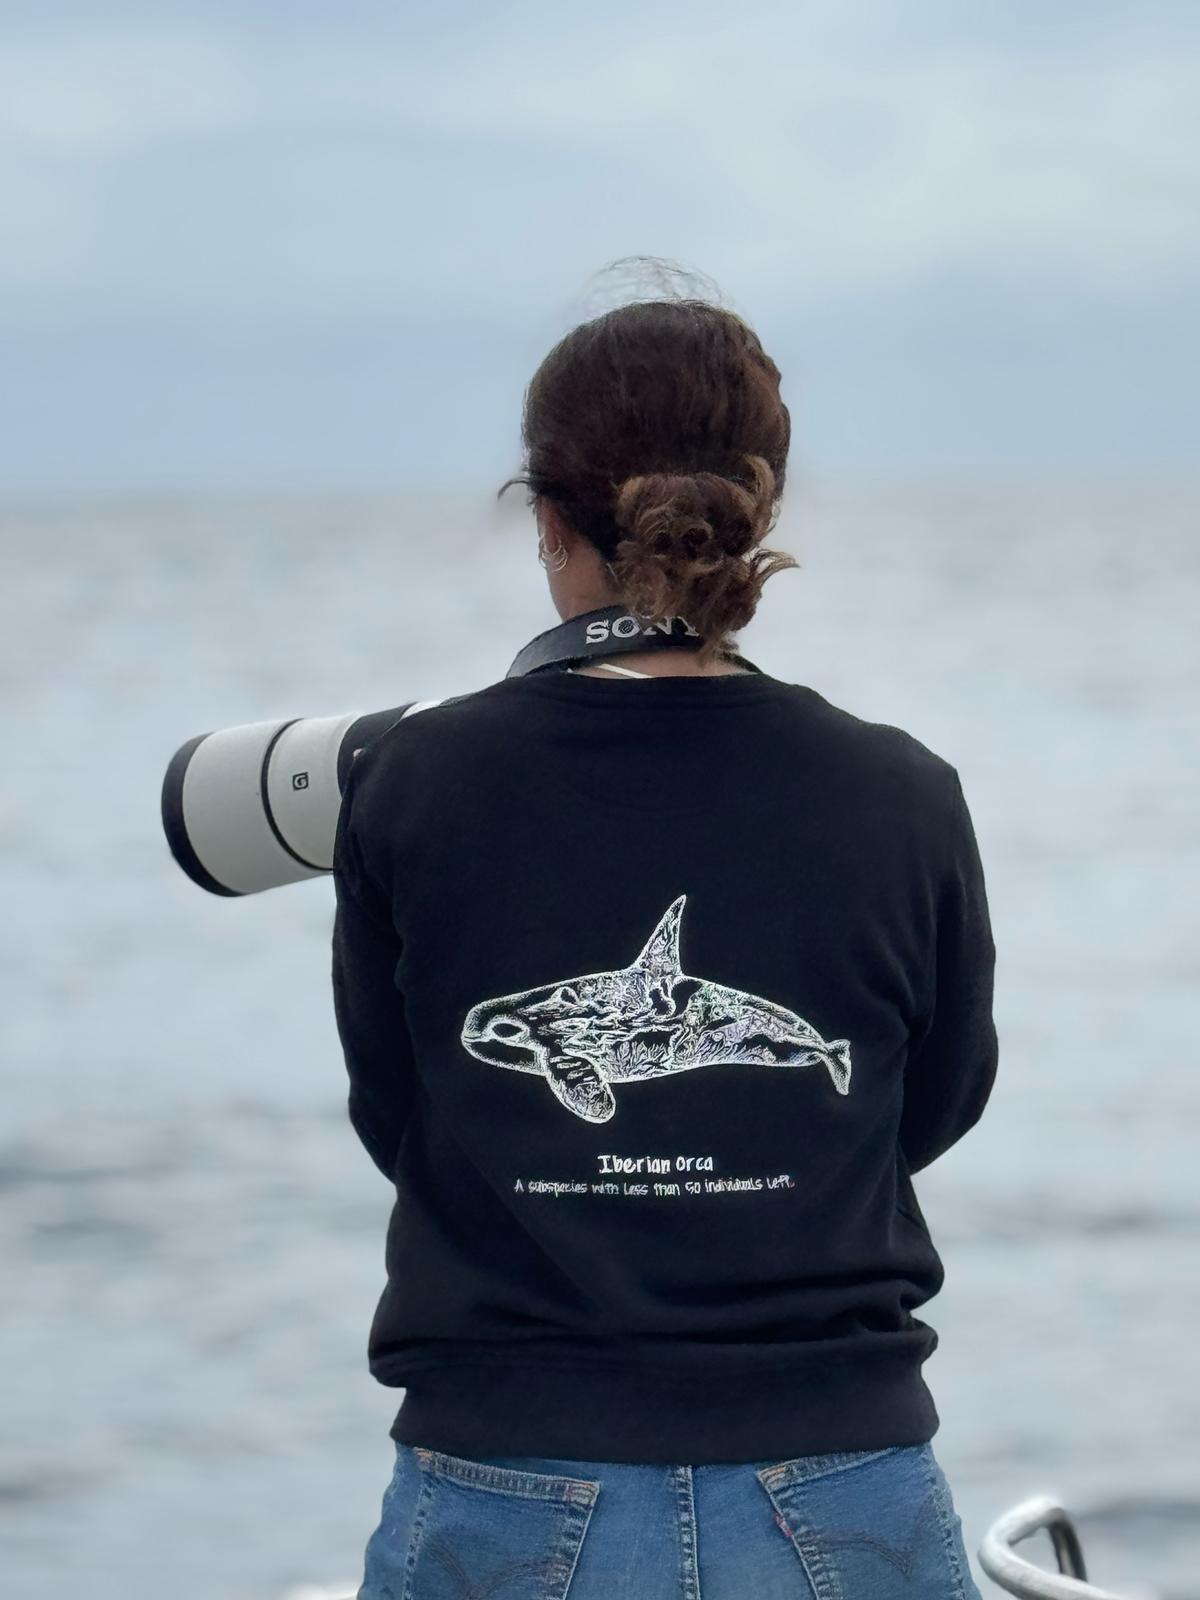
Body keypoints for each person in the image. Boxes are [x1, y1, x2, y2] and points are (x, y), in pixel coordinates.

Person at [332, 288, 998, 1599]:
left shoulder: (414, 780)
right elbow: (935, 1103)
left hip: (508, 1475)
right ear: (761, 507)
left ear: (544, 517)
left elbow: (397, 1110)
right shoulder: (903, 793)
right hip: (842, 1477)